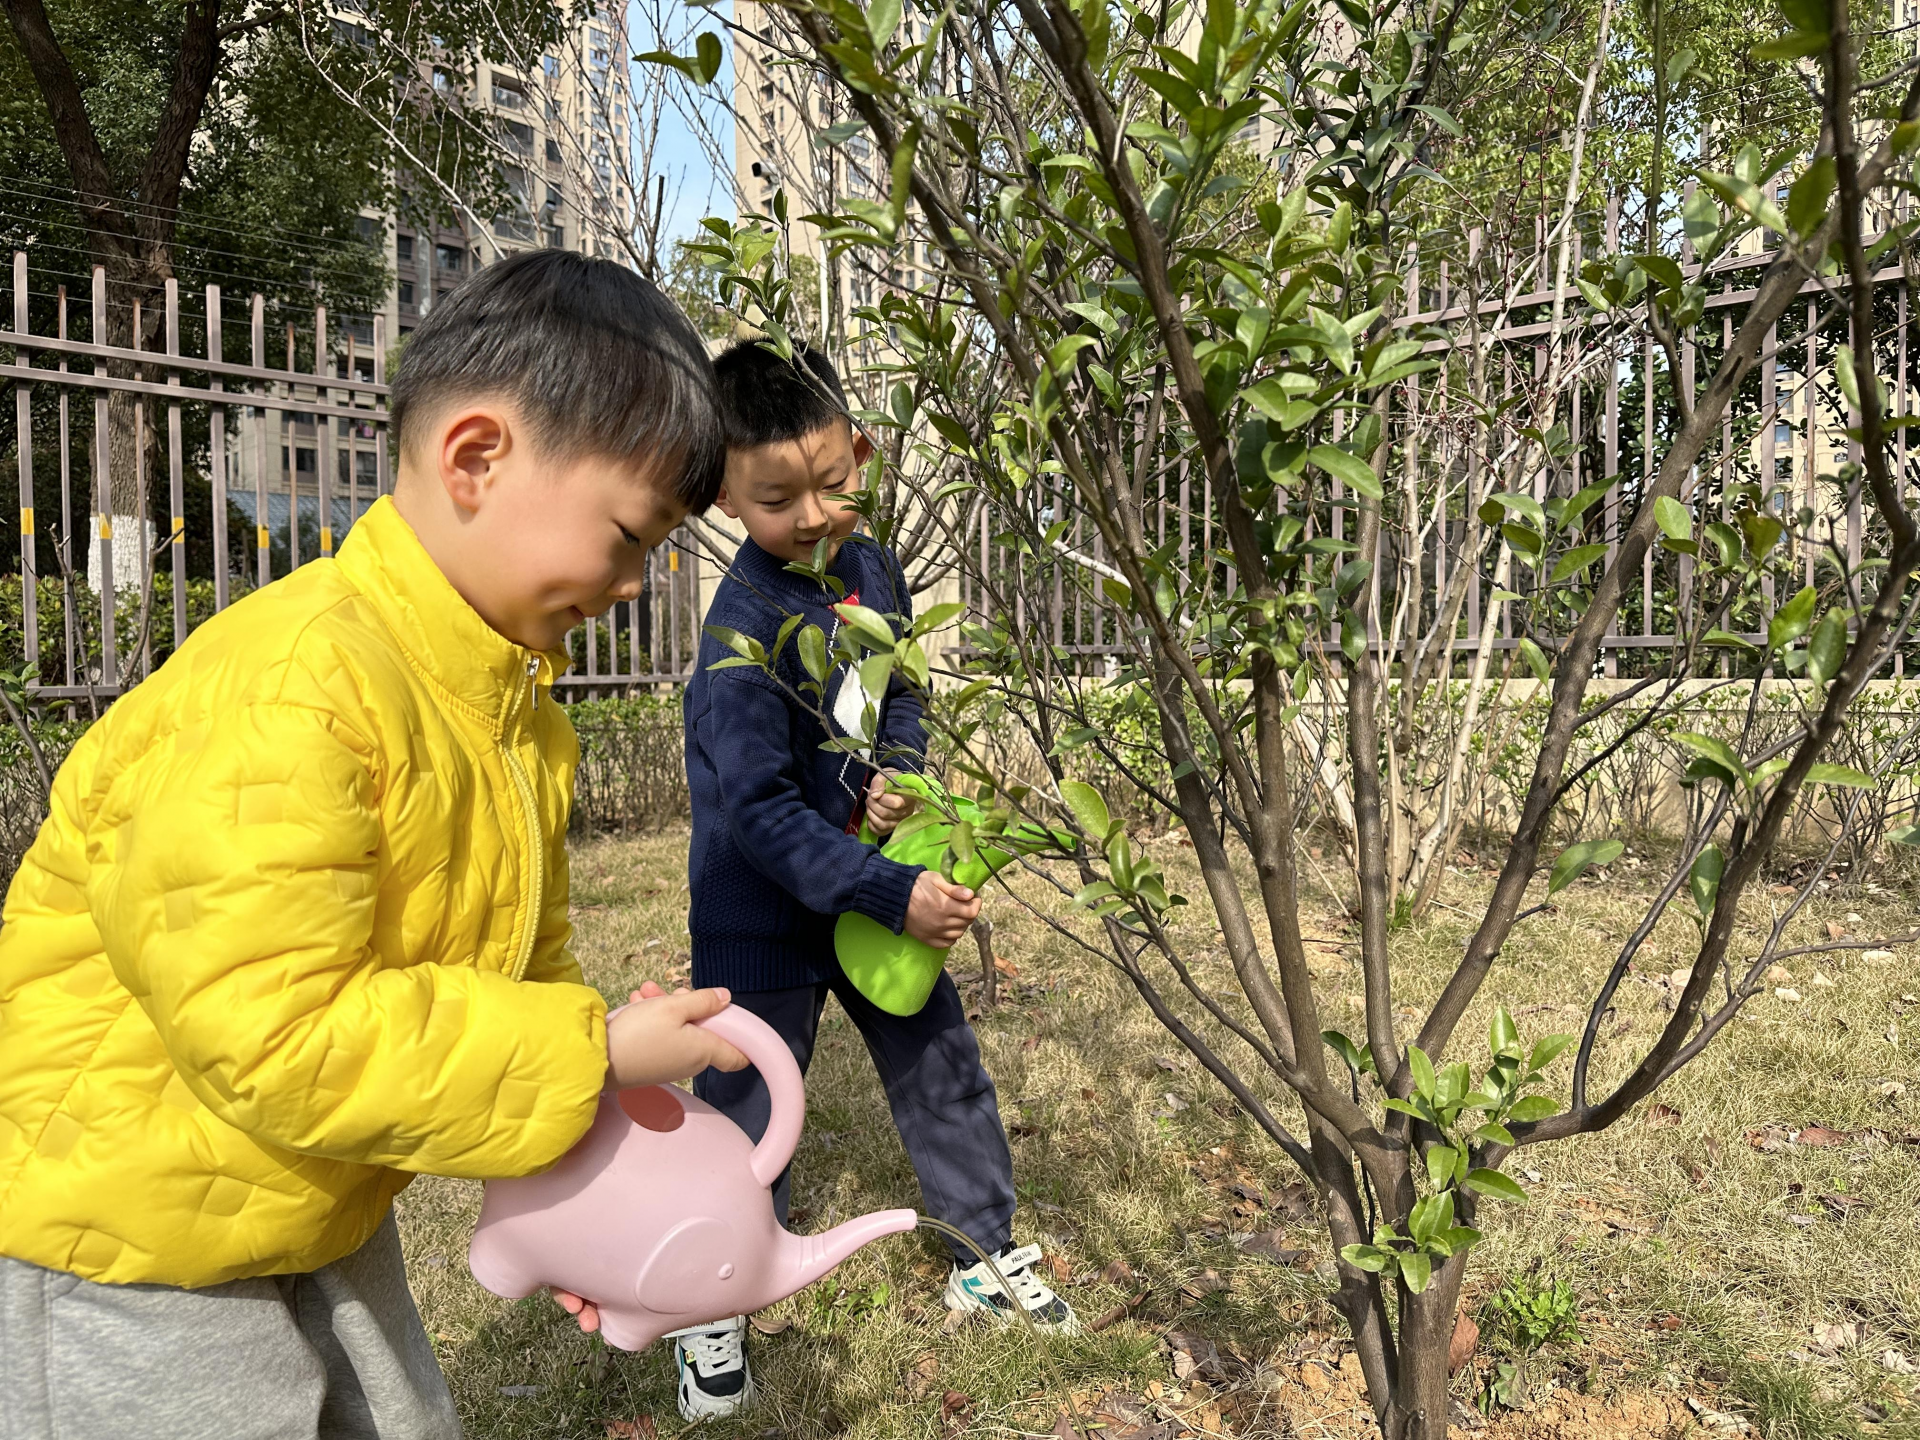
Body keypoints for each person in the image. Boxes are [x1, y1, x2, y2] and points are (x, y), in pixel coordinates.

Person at [0, 250, 750, 1440]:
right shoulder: (295, 690)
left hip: (321, 1200)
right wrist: (590, 1054)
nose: (633, 583)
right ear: (477, 457)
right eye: (629, 534)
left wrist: (573, 1177)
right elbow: (276, 1033)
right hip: (129, 1240)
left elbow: (526, 968)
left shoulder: (511, 715)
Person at [668, 340, 1078, 1423]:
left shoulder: (877, 572)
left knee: (936, 1051)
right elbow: (755, 815)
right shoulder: (738, 639)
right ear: (722, 490)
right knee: (750, 1103)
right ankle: (712, 1298)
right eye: (776, 498)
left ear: (862, 451)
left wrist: (900, 774)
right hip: (761, 905)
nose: (813, 515)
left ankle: (981, 1251)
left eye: (833, 484)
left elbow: (903, 693)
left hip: (868, 886)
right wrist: (890, 891)